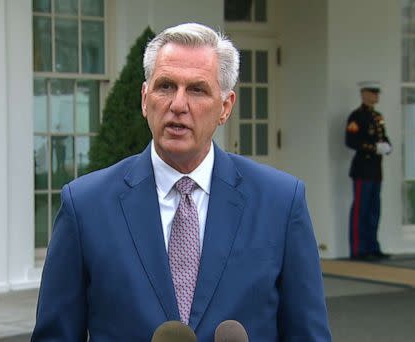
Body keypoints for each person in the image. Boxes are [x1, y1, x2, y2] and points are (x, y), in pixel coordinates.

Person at [32, 23, 331, 341]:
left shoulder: (281, 202)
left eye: (197, 90)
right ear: (145, 99)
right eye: (165, 87)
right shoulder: (86, 205)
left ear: (225, 107)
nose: (178, 105)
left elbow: (307, 334)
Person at [345, 81, 392, 260]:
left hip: (375, 170)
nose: (376, 96)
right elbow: (351, 141)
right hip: (362, 169)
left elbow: (383, 137)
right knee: (360, 210)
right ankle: (358, 249)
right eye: (372, 92)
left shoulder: (378, 117)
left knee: (374, 210)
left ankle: (373, 246)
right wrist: (373, 148)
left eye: (377, 93)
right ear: (364, 94)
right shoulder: (356, 117)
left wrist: (388, 147)